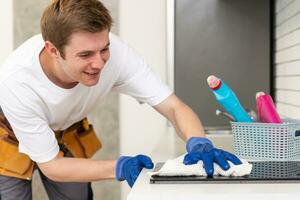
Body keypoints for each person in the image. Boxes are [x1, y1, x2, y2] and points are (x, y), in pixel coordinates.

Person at [0, 0, 242, 199]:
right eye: (85, 54)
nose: (99, 63)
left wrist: (199, 142)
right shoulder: (16, 82)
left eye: (103, 49)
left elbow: (174, 108)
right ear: (53, 50)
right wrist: (119, 167)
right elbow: (52, 166)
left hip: (65, 128)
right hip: (8, 133)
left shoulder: (118, 55)